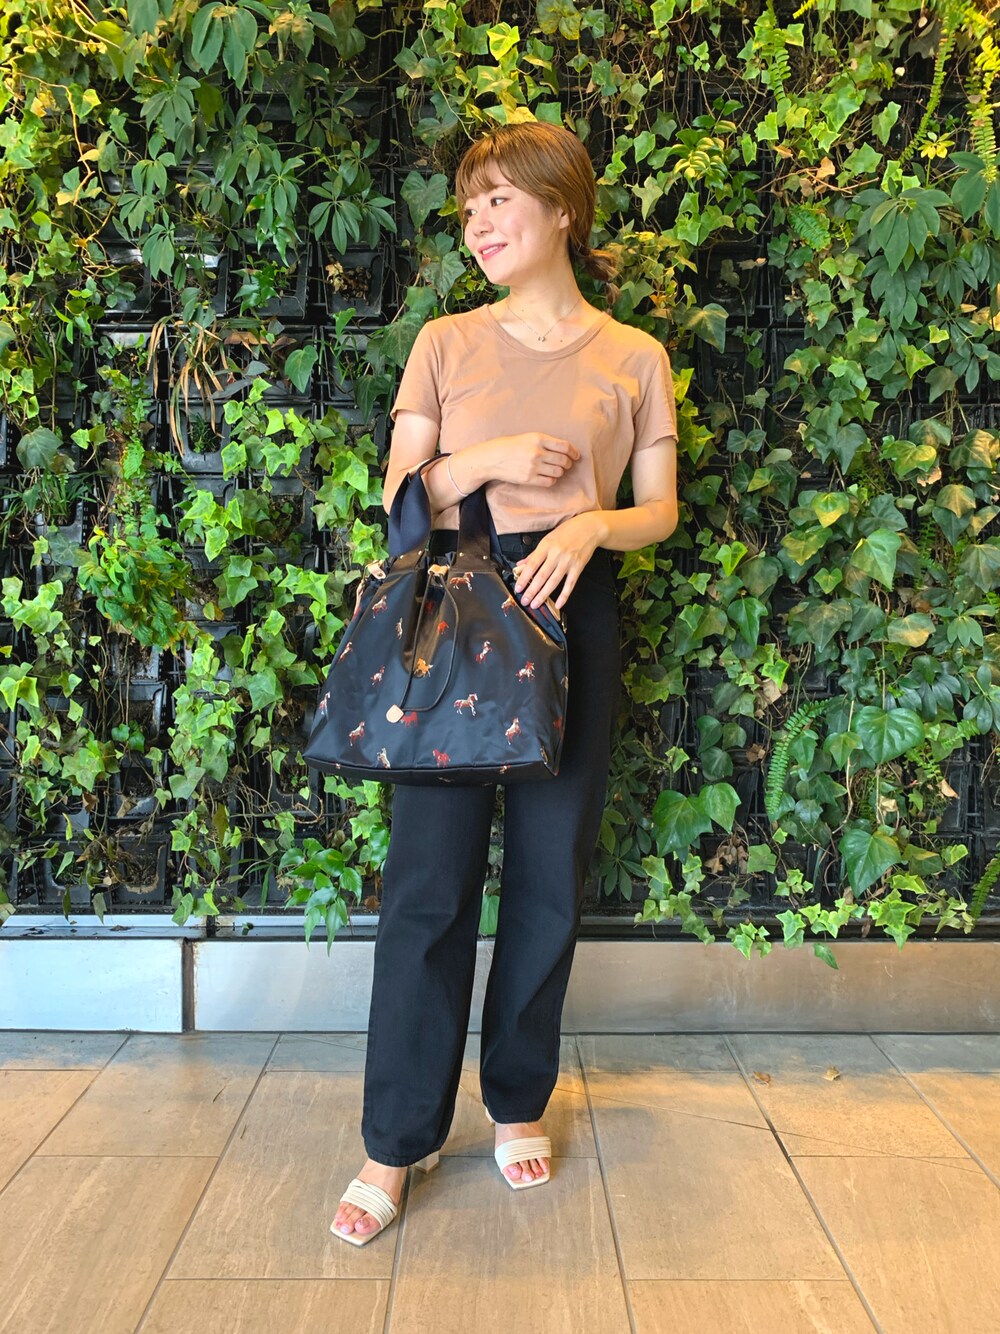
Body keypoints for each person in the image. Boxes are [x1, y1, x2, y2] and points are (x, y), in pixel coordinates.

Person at [331, 120, 679, 1246]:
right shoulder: (444, 341)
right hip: (452, 619)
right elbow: (400, 498)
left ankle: (517, 1099)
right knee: (427, 886)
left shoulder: (634, 356)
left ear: (560, 208)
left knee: (547, 880)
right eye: (469, 205)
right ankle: (395, 1139)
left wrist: (592, 524)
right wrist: (485, 461)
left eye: (499, 200)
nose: (478, 223)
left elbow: (660, 508)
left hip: (576, 614)